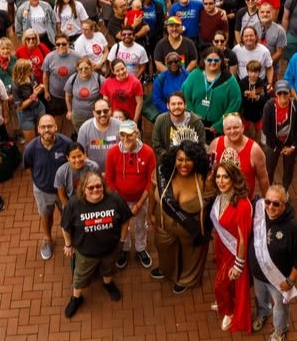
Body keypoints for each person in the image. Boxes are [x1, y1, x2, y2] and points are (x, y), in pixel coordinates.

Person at [60, 171, 131, 318]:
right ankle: (76, 298)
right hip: (86, 253)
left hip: (110, 249)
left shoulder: (115, 199)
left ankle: (108, 284)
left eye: (98, 186)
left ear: (103, 186)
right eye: (90, 188)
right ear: (83, 189)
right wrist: (68, 245)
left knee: (109, 269)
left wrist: (122, 241)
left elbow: (125, 220)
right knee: (79, 277)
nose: (95, 190)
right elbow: (65, 227)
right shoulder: (74, 204)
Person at [149, 140, 215, 292]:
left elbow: (211, 205)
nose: (184, 164)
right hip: (163, 225)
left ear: (196, 160)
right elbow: (152, 192)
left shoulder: (204, 179)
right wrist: (150, 213)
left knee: (191, 256)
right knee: (163, 247)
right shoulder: (162, 172)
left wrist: (205, 229)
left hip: (190, 230)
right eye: (180, 159)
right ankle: (166, 270)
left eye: (189, 159)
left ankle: (187, 279)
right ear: (174, 159)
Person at [250, 184, 297, 340]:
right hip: (257, 274)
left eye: (276, 203)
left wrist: (290, 280)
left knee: (280, 307)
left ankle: (280, 330)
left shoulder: (294, 228)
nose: (270, 207)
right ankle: (263, 313)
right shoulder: (258, 214)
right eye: (267, 201)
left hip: (279, 280)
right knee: (260, 298)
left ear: (285, 204)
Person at [105, 121, 156, 270]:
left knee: (141, 225)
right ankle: (125, 249)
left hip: (140, 199)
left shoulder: (148, 152)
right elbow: (109, 178)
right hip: (120, 201)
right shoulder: (113, 152)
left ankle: (141, 249)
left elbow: (150, 181)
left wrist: (139, 204)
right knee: (122, 226)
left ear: (137, 134)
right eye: (122, 135)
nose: (126, 138)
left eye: (130, 134)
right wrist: (120, 203)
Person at [210, 159, 253, 333]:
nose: (220, 181)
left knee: (220, 284)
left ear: (234, 179)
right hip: (222, 246)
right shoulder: (221, 196)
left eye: (225, 177)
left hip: (234, 252)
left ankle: (229, 311)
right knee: (225, 284)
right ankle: (225, 302)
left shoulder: (242, 205)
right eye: (218, 177)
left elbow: (243, 239)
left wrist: (239, 264)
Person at [25, 115, 71, 261]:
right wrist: (40, 181)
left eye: (50, 126)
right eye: (43, 127)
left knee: (68, 215)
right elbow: (29, 167)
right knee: (46, 216)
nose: (47, 130)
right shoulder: (31, 148)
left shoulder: (66, 143)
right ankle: (47, 238)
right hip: (43, 191)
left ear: (56, 127)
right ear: (38, 129)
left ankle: (70, 240)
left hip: (64, 190)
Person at [182, 47, 242, 136]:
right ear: (204, 61)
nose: (213, 63)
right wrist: (193, 119)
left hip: (218, 129)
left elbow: (234, 104)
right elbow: (185, 96)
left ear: (221, 61)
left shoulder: (230, 80)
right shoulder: (195, 75)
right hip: (194, 125)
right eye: (209, 60)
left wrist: (221, 124)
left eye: (216, 60)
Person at [261, 80, 297, 190]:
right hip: (273, 143)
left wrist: (293, 147)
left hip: (290, 144)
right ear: (275, 94)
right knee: (269, 170)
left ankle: (284, 191)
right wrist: (281, 147)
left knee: (288, 170)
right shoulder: (269, 106)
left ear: (289, 93)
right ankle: (268, 191)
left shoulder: (296, 106)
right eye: (279, 93)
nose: (282, 96)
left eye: (285, 93)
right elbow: (266, 129)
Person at [209, 113, 270, 197]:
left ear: (242, 128)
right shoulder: (215, 144)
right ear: (223, 130)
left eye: (236, 127)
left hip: (245, 200)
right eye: (228, 128)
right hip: (219, 200)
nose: (232, 131)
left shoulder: (255, 150)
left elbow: (263, 179)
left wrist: (266, 201)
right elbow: (209, 172)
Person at [76, 99, 121, 170]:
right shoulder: (84, 129)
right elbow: (80, 153)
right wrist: (94, 170)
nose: (102, 114)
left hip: (116, 170)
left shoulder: (120, 126)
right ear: (93, 113)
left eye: (105, 111)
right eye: (98, 112)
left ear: (110, 110)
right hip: (92, 172)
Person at [102, 59, 144, 124]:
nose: (121, 72)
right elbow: (105, 102)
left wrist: (135, 121)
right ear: (113, 72)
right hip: (115, 119)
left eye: (122, 69)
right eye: (117, 71)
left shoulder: (135, 82)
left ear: (126, 67)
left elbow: (139, 103)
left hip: (131, 119)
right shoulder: (107, 82)